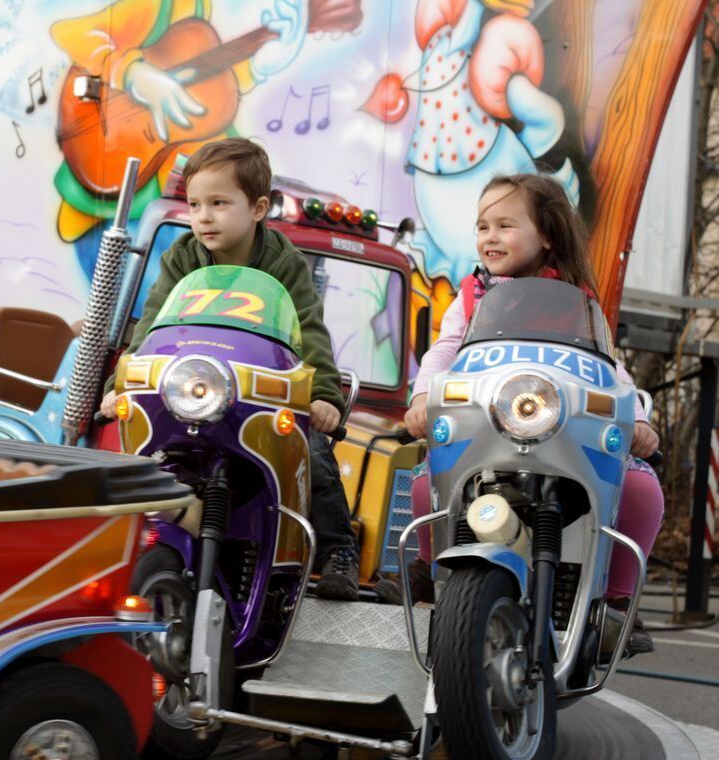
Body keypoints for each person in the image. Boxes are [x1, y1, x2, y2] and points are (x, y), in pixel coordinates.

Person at [376, 173, 663, 654]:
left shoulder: (577, 302)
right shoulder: (472, 296)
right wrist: (424, 396)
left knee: (640, 488)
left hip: (562, 439)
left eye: (505, 225)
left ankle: (616, 603)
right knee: (427, 484)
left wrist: (635, 416)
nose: (490, 237)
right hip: (489, 432)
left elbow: (610, 369)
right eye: (482, 226)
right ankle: (430, 567)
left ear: (546, 234)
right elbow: (445, 349)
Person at [99, 137, 360, 600]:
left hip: (254, 391)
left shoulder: (283, 262)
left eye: (218, 203)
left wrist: (322, 394)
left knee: (312, 451)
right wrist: (124, 382)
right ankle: (143, 538)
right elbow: (152, 324)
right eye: (195, 204)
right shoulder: (182, 257)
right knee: (152, 450)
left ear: (258, 208)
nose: (203, 216)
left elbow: (310, 330)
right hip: (194, 389)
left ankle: (337, 549)